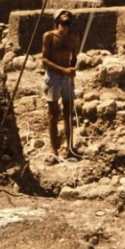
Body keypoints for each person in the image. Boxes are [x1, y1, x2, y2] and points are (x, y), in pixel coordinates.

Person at [42, 9, 81, 162]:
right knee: (53, 115)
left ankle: (70, 148)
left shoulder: (74, 38)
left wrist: (72, 69)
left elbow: (74, 57)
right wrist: (63, 70)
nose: (64, 26)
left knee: (68, 113)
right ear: (56, 22)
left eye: (67, 23)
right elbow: (45, 60)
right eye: (62, 23)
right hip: (53, 77)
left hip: (67, 79)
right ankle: (54, 151)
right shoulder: (49, 36)